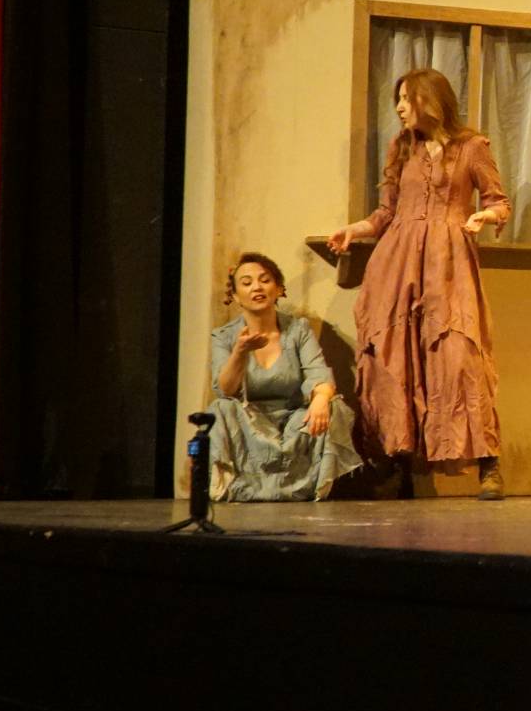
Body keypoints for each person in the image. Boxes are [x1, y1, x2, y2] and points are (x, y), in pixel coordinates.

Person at [327, 68, 512, 500]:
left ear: (431, 99)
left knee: (460, 356)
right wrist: (355, 229)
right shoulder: (402, 148)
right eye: (398, 99)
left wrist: (485, 216)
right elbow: (386, 212)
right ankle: (400, 463)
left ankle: (489, 465)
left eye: (407, 98)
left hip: (448, 263)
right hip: (397, 263)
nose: (399, 107)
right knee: (396, 358)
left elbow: (499, 201)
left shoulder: (472, 147)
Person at [206, 252, 363, 501]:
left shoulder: (298, 329)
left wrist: (321, 398)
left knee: (332, 405)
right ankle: (239, 487)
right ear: (235, 296)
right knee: (220, 408)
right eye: (246, 283)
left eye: (265, 280)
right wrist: (239, 352)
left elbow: (317, 371)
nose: (257, 287)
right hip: (249, 423)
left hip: (293, 422)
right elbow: (225, 390)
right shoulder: (224, 336)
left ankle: (307, 487)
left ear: (278, 288)